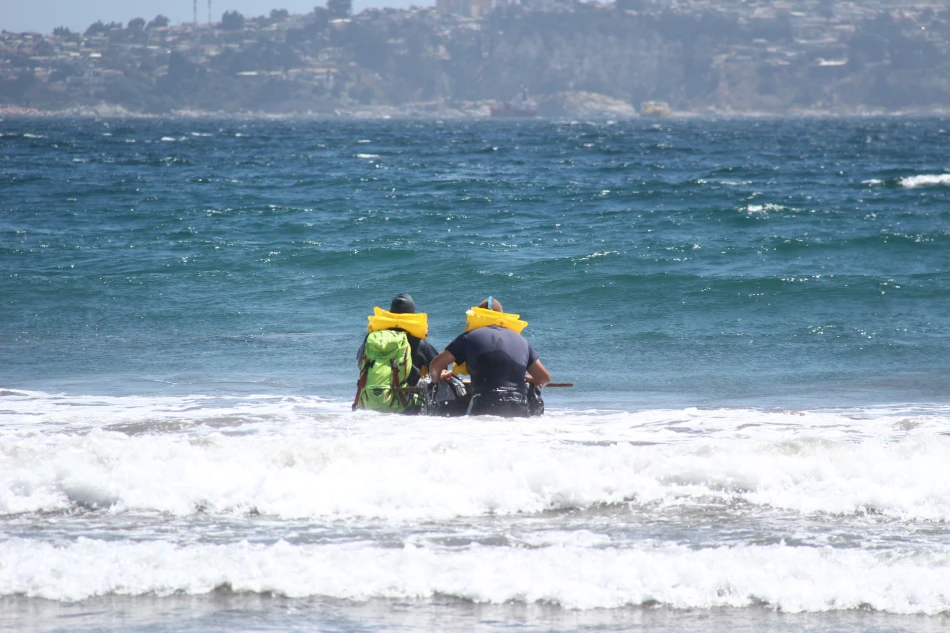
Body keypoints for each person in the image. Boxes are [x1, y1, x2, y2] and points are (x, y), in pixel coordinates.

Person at [429, 297, 550, 418]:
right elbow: (544, 378)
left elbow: (436, 365)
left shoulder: (469, 337)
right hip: (519, 406)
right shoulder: (523, 341)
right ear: (502, 317)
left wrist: (437, 378)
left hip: (485, 404)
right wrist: (529, 379)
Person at [354, 293, 438, 414]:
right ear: (412, 315)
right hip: (407, 404)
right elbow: (439, 367)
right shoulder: (419, 343)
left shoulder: (371, 339)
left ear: (391, 313)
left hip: (370, 401)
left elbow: (360, 363)